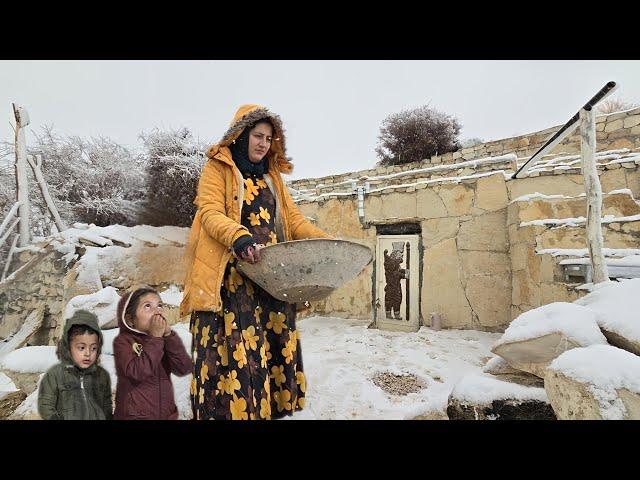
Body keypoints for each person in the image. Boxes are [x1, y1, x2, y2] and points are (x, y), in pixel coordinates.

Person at [181, 104, 330, 420]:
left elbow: (292, 219)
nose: (263, 143)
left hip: (271, 278)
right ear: (241, 134)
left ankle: (269, 411)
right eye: (257, 135)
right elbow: (209, 212)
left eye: (268, 137)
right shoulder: (218, 168)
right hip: (233, 276)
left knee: (271, 344)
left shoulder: (272, 177)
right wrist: (239, 236)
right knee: (240, 348)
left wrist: (323, 242)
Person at [113, 286, 192, 420]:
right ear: (130, 320)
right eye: (148, 306)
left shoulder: (163, 340)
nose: (157, 311)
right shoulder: (123, 342)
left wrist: (169, 336)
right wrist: (155, 339)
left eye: (160, 305)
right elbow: (137, 372)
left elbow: (183, 368)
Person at [38, 310, 113, 420]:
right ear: (68, 347)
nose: (88, 353)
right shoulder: (55, 375)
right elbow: (45, 406)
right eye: (81, 348)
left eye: (93, 348)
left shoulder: (102, 375)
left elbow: (107, 405)